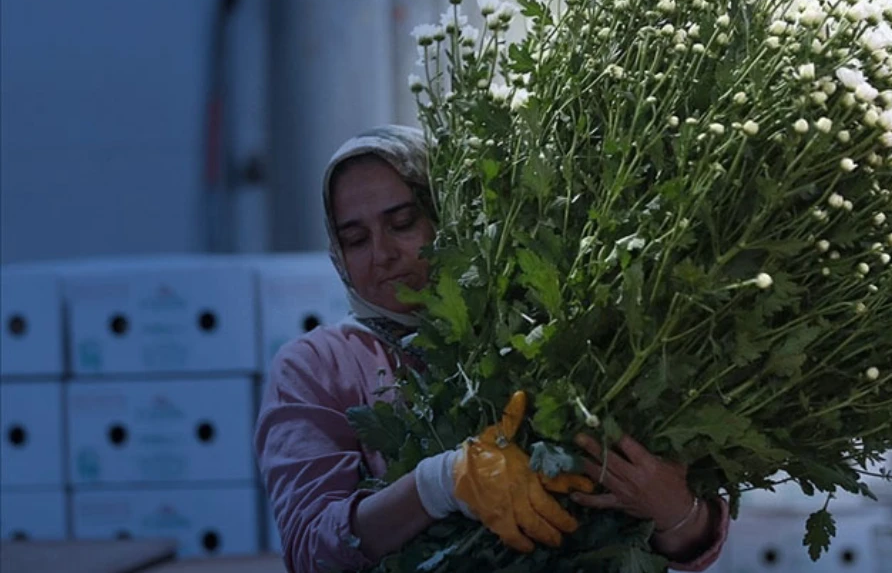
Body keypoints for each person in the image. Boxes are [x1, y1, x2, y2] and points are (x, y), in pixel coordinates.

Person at [255, 126, 730, 572]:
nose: (382, 253)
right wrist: (439, 483)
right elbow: (311, 550)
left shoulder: (545, 326)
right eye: (355, 239)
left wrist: (678, 510)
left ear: (452, 212)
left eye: (402, 223)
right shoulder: (317, 367)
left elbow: (691, 539)